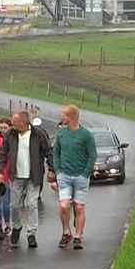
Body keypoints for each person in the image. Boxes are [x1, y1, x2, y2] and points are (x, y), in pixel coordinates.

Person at [0, 110, 54, 249]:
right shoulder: (10, 134)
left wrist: (52, 169)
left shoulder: (37, 134)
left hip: (33, 176)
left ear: (23, 122)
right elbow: (3, 153)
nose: (12, 122)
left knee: (31, 204)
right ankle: (17, 227)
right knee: (15, 205)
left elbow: (48, 151)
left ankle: (31, 233)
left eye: (14, 120)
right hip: (16, 176)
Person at [53, 105, 97, 250]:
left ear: (71, 117)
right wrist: (58, 171)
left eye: (63, 115)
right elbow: (56, 153)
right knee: (64, 206)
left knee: (79, 207)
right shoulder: (61, 134)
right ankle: (66, 232)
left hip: (80, 176)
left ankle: (78, 236)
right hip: (64, 175)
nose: (61, 117)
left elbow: (92, 155)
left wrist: (86, 173)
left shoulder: (86, 135)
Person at [0, 119, 13, 240]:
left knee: (6, 202)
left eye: (5, 127)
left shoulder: (11, 140)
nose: (3, 130)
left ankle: (7, 223)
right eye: (1, 127)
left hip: (8, 175)